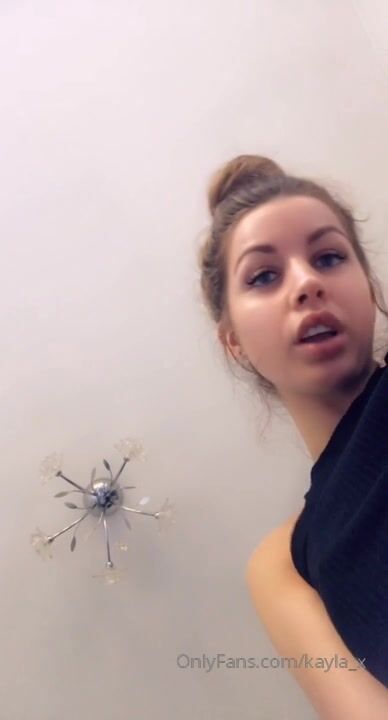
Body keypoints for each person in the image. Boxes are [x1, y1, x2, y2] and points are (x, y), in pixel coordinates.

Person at [197, 154, 388, 718]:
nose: (307, 283)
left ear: (369, 287)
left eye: (328, 257)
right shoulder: (283, 564)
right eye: (263, 276)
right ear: (233, 341)